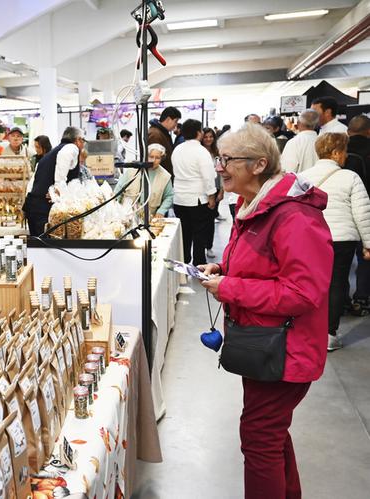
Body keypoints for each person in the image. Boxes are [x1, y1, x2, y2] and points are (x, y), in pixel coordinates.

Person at [198, 123, 333, 499]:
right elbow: (264, 265)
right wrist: (224, 271)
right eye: (218, 157)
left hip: (283, 350)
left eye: (227, 159)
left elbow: (303, 292)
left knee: (260, 438)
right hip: (263, 345)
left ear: (258, 165)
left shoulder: (293, 216)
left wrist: (230, 287)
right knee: (269, 432)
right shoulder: (254, 205)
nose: (219, 167)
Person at [299, 133, 370, 351]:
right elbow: (362, 212)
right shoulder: (350, 177)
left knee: (310, 283)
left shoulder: (301, 177)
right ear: (336, 153)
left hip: (311, 238)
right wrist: (368, 243)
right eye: (345, 151)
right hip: (342, 240)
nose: (346, 156)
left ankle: (307, 329)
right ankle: (329, 334)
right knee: (337, 283)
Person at [23, 126, 85, 236]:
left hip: (32, 205)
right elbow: (60, 174)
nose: (83, 145)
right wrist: (58, 190)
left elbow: (32, 184)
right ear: (78, 140)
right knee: (45, 247)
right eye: (83, 141)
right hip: (43, 208)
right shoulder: (71, 147)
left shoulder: (49, 155)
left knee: (37, 247)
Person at [172, 119, 217, 265]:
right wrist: (211, 196)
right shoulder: (201, 151)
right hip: (197, 199)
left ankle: (184, 264)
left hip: (179, 198)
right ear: (199, 132)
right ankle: (199, 265)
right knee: (199, 234)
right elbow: (208, 177)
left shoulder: (177, 149)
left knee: (184, 234)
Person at [345, 115, 370, 315]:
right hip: (367, 209)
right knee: (365, 256)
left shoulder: (338, 150)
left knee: (340, 261)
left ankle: (343, 300)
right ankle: (362, 297)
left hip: (342, 213)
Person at [114, 143, 173, 217]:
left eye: (157, 158)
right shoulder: (132, 169)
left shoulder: (165, 176)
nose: (153, 160)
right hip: (127, 214)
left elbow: (169, 196)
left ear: (161, 159)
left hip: (149, 216)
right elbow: (119, 189)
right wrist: (115, 206)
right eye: (151, 157)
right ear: (146, 156)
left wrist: (161, 211)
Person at [202, 127, 224, 256]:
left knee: (210, 220)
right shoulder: (199, 152)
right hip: (201, 190)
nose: (208, 139)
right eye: (206, 137)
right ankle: (201, 244)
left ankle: (208, 246)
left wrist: (222, 191)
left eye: (211, 136)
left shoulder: (217, 153)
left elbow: (222, 173)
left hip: (215, 189)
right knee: (202, 220)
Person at [280, 109, 319, 173]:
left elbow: (287, 170)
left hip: (300, 182)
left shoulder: (294, 142)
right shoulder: (323, 141)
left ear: (298, 123)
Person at [148, 106, 181, 177]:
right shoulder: (155, 134)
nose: (176, 125)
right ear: (168, 119)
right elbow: (154, 161)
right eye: (175, 121)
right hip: (159, 178)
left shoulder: (162, 133)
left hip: (164, 176)